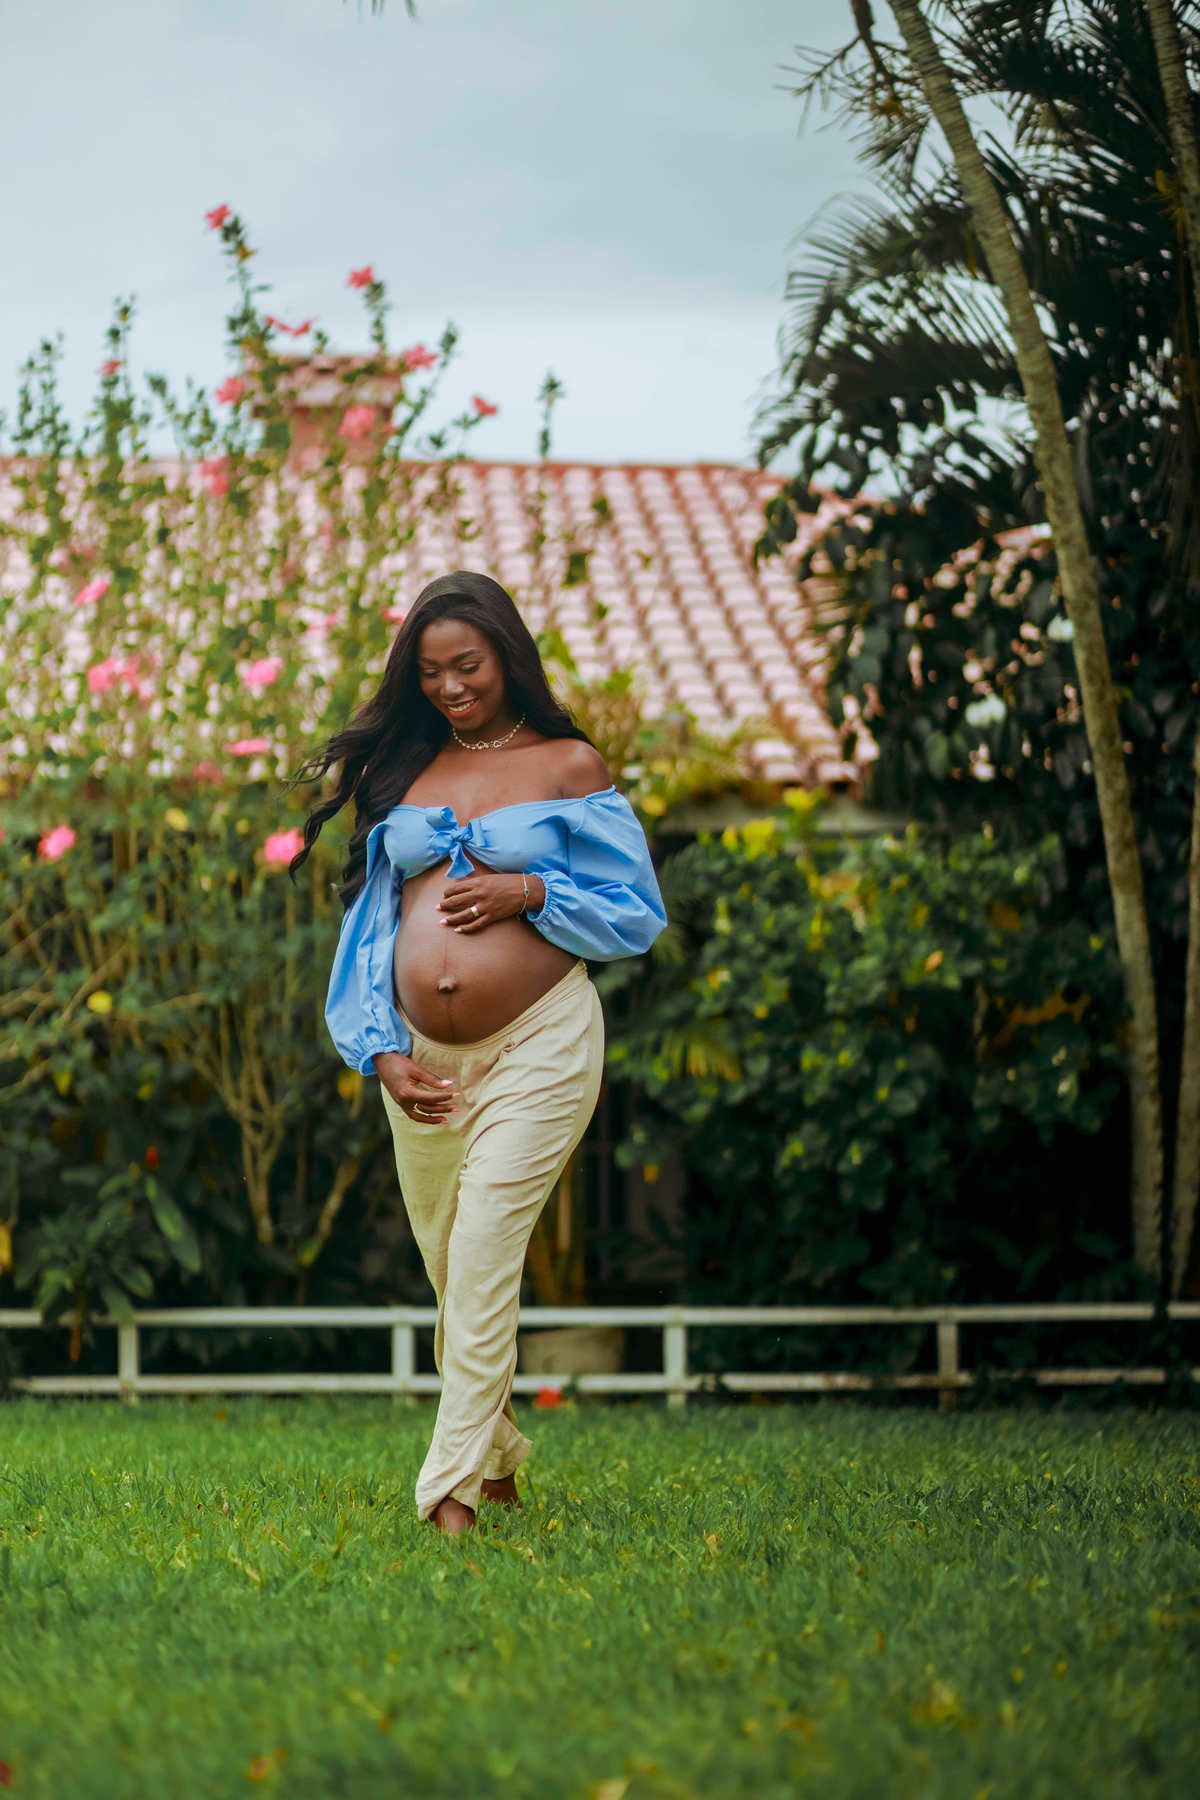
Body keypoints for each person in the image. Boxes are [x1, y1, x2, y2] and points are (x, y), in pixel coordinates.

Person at [289, 570, 667, 1536]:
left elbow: (635, 913)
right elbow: (371, 930)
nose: (453, 687)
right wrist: (379, 1053)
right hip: (418, 1063)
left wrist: (528, 894)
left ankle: (448, 1495)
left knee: (487, 1240)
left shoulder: (569, 767)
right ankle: (497, 1458)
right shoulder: (405, 777)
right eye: (432, 673)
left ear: (506, 654)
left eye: (469, 664)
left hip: (541, 1038)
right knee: (453, 1266)